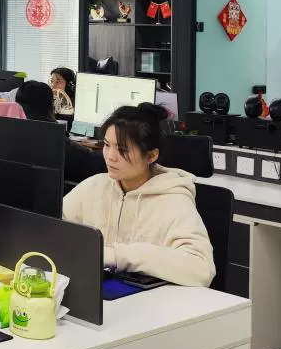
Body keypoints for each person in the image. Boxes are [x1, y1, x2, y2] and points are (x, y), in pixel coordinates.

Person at [63, 103, 215, 287]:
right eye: (107, 145)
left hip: (151, 300)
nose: (110, 156)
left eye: (122, 149)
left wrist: (117, 256)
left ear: (151, 156)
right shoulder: (95, 186)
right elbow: (53, 227)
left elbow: (201, 269)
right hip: (97, 292)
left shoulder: (173, 199)